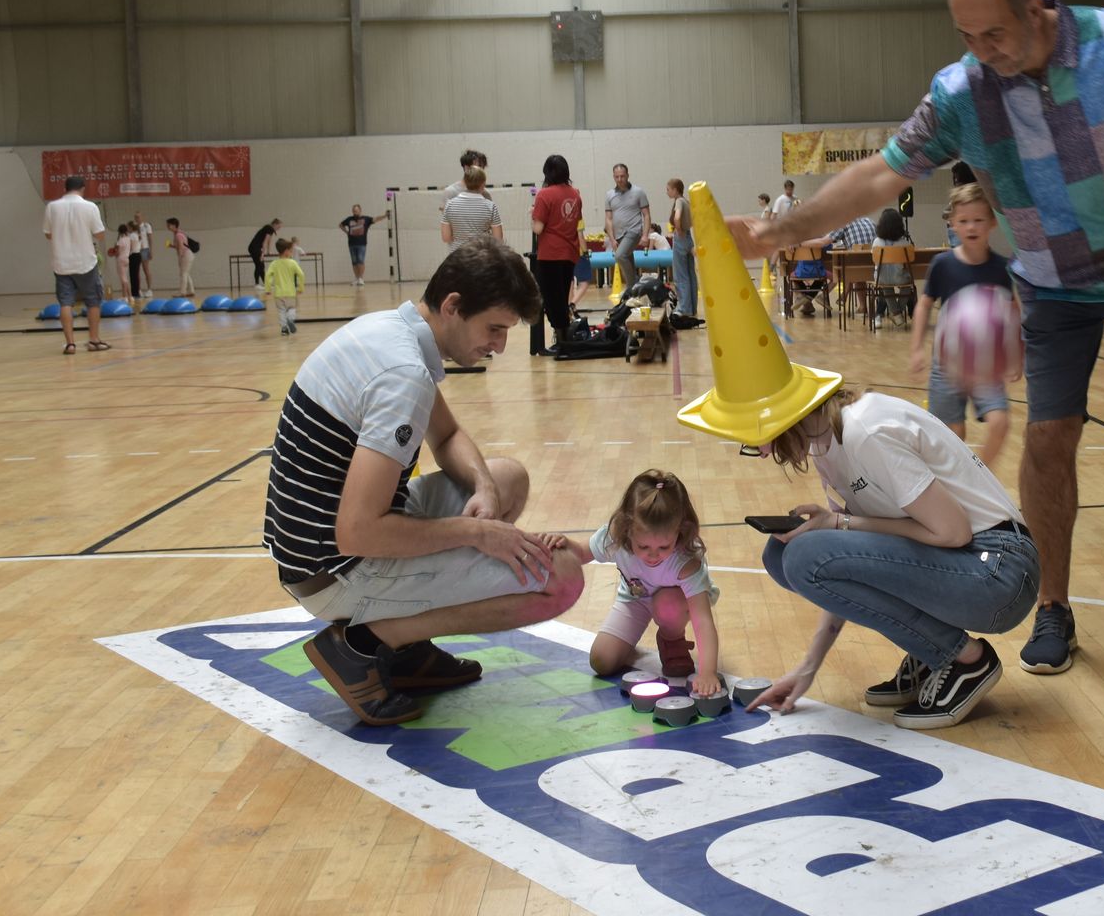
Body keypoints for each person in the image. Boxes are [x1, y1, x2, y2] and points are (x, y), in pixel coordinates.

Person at [731, 0, 1104, 673]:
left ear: (1036, 9)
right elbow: (878, 176)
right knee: (1050, 440)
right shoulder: (961, 92)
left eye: (993, 33)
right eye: (966, 36)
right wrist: (781, 231)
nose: (981, 51)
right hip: (1055, 285)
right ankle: (1054, 605)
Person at [261, 237, 584, 726]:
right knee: (561, 578)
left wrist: (484, 489)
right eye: (494, 329)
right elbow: (358, 532)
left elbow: (448, 434)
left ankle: (406, 648)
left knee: (506, 479)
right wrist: (476, 533)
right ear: (453, 306)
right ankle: (363, 643)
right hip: (333, 571)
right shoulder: (403, 374)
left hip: (320, 548)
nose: (500, 346)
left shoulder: (390, 331)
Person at [747, 387, 1041, 730]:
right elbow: (838, 572)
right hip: (965, 560)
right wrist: (807, 667)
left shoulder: (864, 432)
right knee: (781, 554)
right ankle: (928, 651)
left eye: (755, 441)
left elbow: (953, 532)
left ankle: (966, 660)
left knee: (802, 554)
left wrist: (842, 523)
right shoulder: (825, 440)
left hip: (999, 570)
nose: (763, 454)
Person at [542, 471, 722, 698]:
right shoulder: (615, 538)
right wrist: (564, 545)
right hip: (635, 598)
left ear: (680, 531)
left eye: (664, 547)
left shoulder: (686, 561)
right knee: (601, 661)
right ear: (627, 529)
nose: (653, 555)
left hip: (673, 603)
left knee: (668, 603)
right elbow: (581, 553)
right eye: (643, 547)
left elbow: (702, 620)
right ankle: (626, 642)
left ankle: (671, 638)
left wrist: (707, 672)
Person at [907, 182, 1017, 464]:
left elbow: (1011, 311)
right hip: (947, 364)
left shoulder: (1001, 268)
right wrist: (917, 348)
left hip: (987, 364)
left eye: (978, 220)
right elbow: (924, 304)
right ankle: (958, 477)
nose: (971, 227)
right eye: (964, 221)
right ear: (953, 224)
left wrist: (1018, 353)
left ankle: (981, 477)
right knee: (953, 434)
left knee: (1000, 422)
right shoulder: (942, 264)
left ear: (992, 222)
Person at [44, 175, 107, 354]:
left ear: (65, 189)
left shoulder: (52, 207)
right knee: (93, 302)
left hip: (61, 262)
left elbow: (48, 234)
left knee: (65, 303)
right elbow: (100, 234)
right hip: (85, 262)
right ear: (83, 188)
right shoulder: (90, 207)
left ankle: (70, 344)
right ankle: (94, 340)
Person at [529, 155, 584, 356]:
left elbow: (538, 228)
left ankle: (563, 342)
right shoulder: (575, 194)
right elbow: (576, 222)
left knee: (552, 300)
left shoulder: (544, 195)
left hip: (550, 254)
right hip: (569, 252)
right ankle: (564, 340)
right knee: (561, 297)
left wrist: (532, 214)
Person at [605, 163, 652, 292]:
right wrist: (612, 239)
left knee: (619, 256)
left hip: (634, 231)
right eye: (617, 177)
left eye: (622, 176)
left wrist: (645, 235)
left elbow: (646, 215)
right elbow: (608, 219)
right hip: (618, 234)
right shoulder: (609, 195)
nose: (620, 179)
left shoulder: (638, 192)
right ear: (613, 177)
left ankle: (632, 287)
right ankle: (636, 290)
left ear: (628, 175)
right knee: (628, 260)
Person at [870, 207, 914, 329]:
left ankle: (896, 313)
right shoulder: (905, 244)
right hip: (899, 278)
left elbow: (874, 261)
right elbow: (908, 264)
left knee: (885, 284)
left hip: (881, 279)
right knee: (908, 284)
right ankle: (897, 312)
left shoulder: (876, 242)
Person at [441, 166, 503, 248]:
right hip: (482, 253)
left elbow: (446, 238)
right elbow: (498, 239)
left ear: (465, 182)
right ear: (483, 183)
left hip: (457, 253)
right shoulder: (490, 206)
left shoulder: (449, 205)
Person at [340, 204, 390, 287]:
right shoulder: (349, 219)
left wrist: (384, 216)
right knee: (354, 262)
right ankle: (356, 278)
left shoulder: (366, 219)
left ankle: (361, 278)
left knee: (360, 260)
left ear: (360, 210)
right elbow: (341, 225)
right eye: (354, 211)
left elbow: (376, 219)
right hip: (351, 244)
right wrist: (346, 232)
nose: (355, 212)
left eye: (356, 210)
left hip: (362, 244)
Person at [667, 179, 697, 318]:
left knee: (680, 275)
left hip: (681, 238)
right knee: (690, 274)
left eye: (668, 189)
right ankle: (692, 307)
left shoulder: (679, 201)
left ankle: (684, 308)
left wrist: (678, 230)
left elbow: (677, 217)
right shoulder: (686, 201)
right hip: (689, 237)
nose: (667, 192)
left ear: (675, 190)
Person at [266, 237, 306, 335]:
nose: (292, 253)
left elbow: (268, 276)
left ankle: (284, 329)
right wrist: (300, 288)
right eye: (291, 251)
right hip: (290, 293)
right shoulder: (293, 263)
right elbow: (301, 274)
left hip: (278, 294)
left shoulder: (274, 264)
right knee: (291, 308)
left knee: (281, 311)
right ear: (286, 251)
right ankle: (290, 319)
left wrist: (268, 288)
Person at [442, 150, 490, 215]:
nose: (481, 171)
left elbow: (490, 218)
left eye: (483, 167)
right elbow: (447, 219)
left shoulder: (485, 193)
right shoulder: (451, 191)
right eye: (479, 167)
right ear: (466, 168)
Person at [247, 218, 281, 293]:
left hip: (255, 247)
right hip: (255, 248)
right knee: (259, 265)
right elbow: (265, 241)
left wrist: (269, 251)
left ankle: (266, 284)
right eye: (278, 226)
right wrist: (262, 253)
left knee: (261, 266)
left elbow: (269, 241)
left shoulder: (270, 229)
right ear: (275, 224)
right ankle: (257, 284)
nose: (279, 228)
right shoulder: (269, 228)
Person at [166, 216, 196, 296]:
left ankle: (182, 292)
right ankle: (191, 291)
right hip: (188, 254)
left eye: (169, 225)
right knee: (186, 273)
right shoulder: (179, 233)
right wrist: (171, 246)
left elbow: (181, 247)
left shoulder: (178, 235)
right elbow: (179, 246)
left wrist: (180, 257)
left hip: (186, 255)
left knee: (183, 273)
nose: (167, 227)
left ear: (174, 225)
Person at [131, 212, 155, 298]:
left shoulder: (146, 226)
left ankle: (149, 289)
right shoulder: (133, 227)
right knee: (136, 270)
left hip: (145, 249)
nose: (137, 219)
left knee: (146, 269)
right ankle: (138, 289)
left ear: (142, 217)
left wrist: (151, 250)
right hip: (136, 250)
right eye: (135, 217)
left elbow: (150, 238)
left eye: (138, 217)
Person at [115, 223, 138, 301]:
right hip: (127, 259)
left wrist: (114, 251)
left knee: (123, 279)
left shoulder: (120, 240)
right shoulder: (128, 239)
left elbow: (117, 252)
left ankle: (124, 296)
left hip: (120, 259)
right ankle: (130, 296)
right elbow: (131, 248)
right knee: (125, 278)